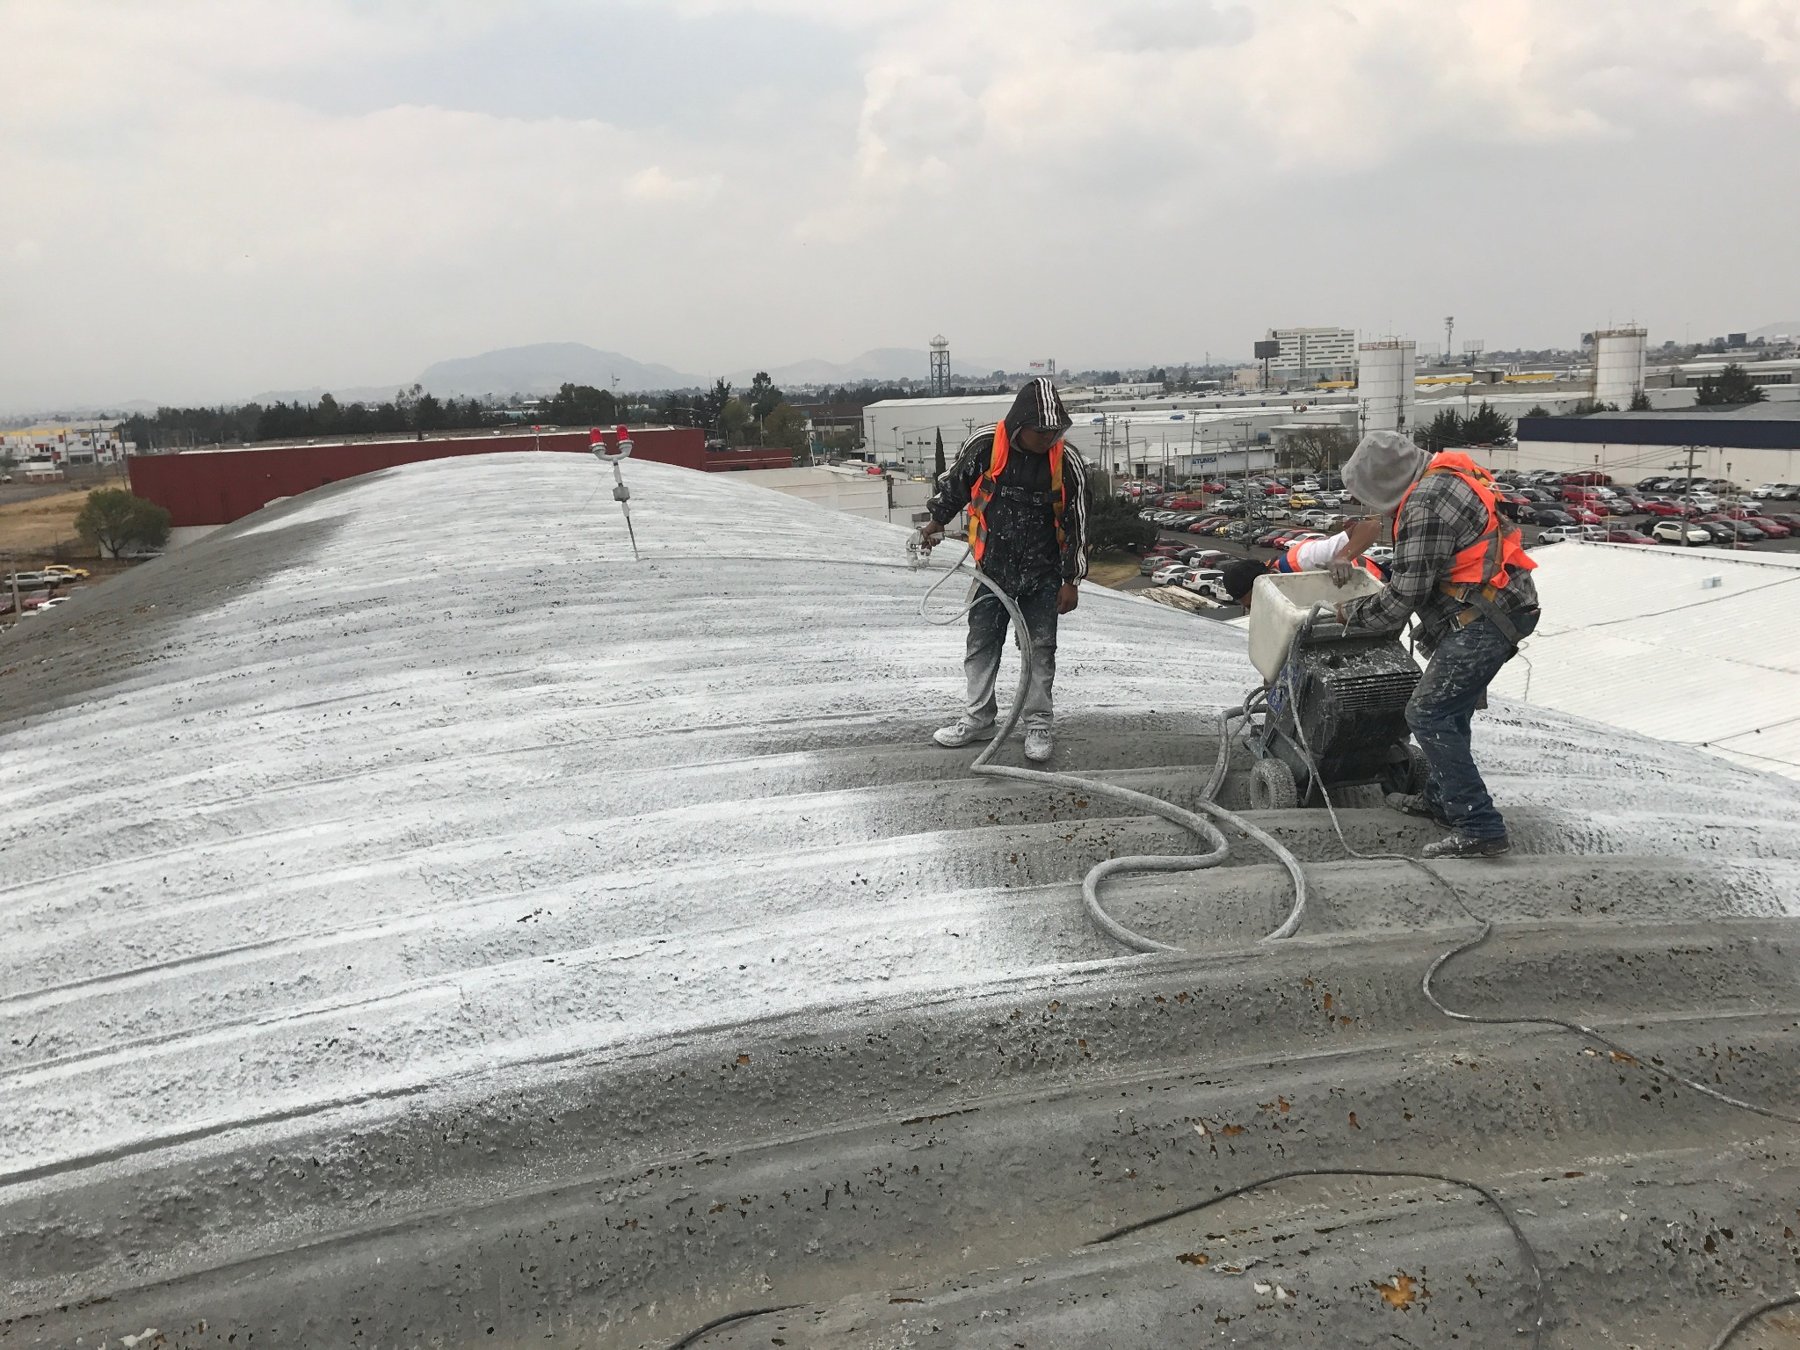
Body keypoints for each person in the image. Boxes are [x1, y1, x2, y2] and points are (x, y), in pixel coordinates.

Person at [1332, 430, 1541, 860]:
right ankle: (1442, 800)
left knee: (1427, 712)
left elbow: (1404, 595)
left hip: (1488, 617)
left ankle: (1479, 825)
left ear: (1382, 483)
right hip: (1502, 603)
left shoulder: (1424, 504)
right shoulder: (1444, 474)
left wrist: (1351, 614)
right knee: (1451, 708)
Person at [917, 377, 1092, 763]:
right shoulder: (985, 445)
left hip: (1042, 574)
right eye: (1040, 431)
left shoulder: (1068, 463)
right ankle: (979, 718)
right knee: (981, 644)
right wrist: (935, 523)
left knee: (1040, 650)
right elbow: (956, 486)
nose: (1048, 438)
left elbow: (1078, 523)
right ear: (1020, 424)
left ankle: (1039, 723)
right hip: (990, 569)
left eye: (1053, 431)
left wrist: (1071, 580)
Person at [1217, 515, 1388, 609]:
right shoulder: (1279, 598)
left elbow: (1371, 527)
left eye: (1253, 601)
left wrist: (1343, 557)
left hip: (1381, 586)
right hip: (1358, 606)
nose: (1255, 608)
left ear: (1265, 577)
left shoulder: (1301, 558)